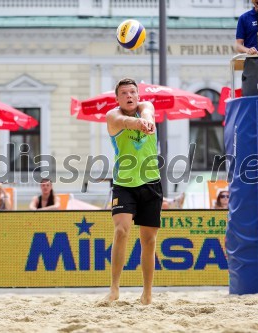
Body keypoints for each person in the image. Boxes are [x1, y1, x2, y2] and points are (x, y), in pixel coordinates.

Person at [103, 78, 162, 305]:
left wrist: (146, 121)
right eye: (124, 93)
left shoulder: (147, 107)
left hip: (150, 182)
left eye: (132, 92)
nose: (129, 96)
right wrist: (139, 125)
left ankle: (147, 293)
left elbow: (147, 114)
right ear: (117, 98)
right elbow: (124, 122)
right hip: (124, 183)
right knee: (121, 231)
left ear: (138, 96)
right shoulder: (112, 116)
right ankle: (114, 288)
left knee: (149, 240)